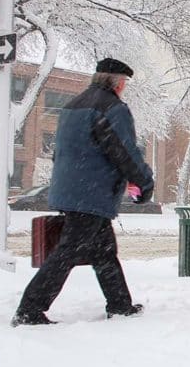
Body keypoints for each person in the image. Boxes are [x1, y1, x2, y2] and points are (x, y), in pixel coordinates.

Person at [11, 58, 155, 326]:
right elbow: (124, 152)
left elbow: (60, 153)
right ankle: (29, 309)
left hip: (72, 190)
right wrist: (144, 183)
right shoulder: (112, 108)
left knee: (104, 251)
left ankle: (120, 305)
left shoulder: (72, 106)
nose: (124, 87)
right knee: (67, 252)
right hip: (91, 194)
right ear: (118, 83)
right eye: (124, 83)